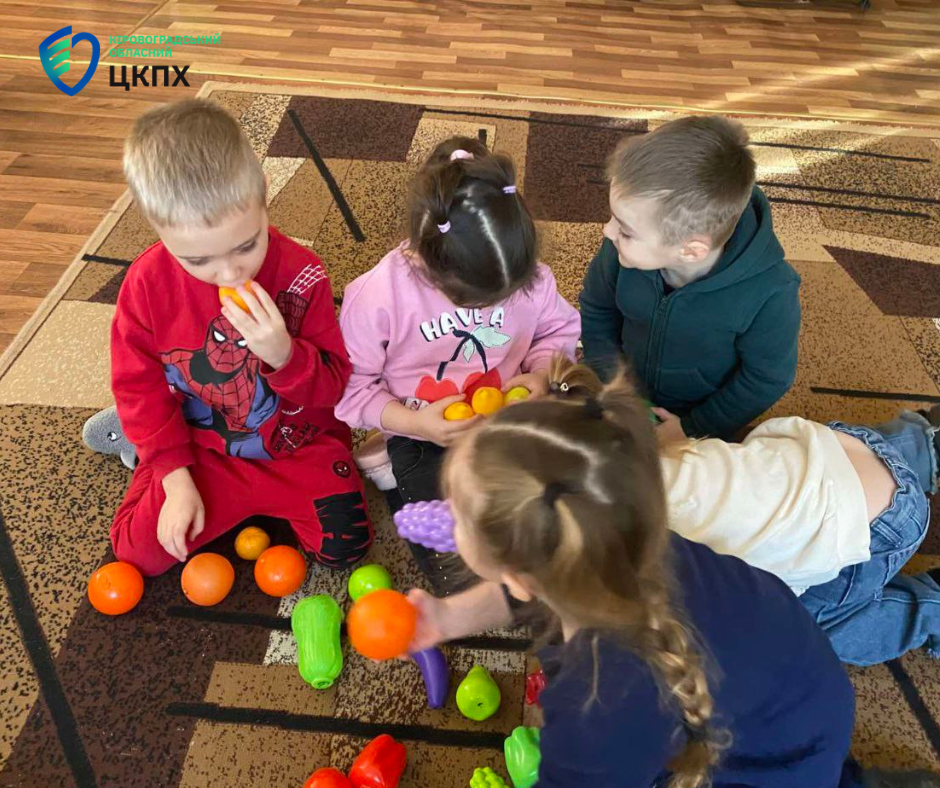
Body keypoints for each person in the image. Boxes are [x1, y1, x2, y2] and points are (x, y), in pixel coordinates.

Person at [407, 359, 862, 788]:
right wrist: (447, 618)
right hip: (802, 693)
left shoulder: (596, 706)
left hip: (779, 764)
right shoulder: (618, 539)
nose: (449, 516)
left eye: (460, 515)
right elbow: (537, 571)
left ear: (518, 576)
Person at [95, 98, 372, 576]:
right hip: (202, 448)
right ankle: (144, 445)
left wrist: (286, 356)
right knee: (136, 552)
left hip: (296, 446)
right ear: (157, 227)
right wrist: (175, 478)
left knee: (346, 548)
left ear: (263, 193)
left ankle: (155, 443)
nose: (229, 273)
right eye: (197, 260)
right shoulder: (146, 285)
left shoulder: (303, 274)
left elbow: (335, 388)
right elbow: (138, 384)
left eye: (246, 245)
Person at [335, 136, 580, 590]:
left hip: (508, 418)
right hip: (424, 433)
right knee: (459, 572)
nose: (490, 307)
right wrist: (414, 423)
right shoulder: (376, 298)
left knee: (565, 512)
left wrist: (540, 373)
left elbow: (557, 332)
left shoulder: (530, 276)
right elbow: (351, 387)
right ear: (424, 256)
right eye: (474, 300)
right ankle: (389, 462)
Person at [579, 115, 800, 442]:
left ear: (690, 251)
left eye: (625, 230)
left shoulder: (772, 292)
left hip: (700, 419)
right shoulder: (620, 251)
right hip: (620, 390)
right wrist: (613, 381)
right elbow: (597, 309)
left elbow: (766, 379)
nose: (608, 231)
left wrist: (693, 426)